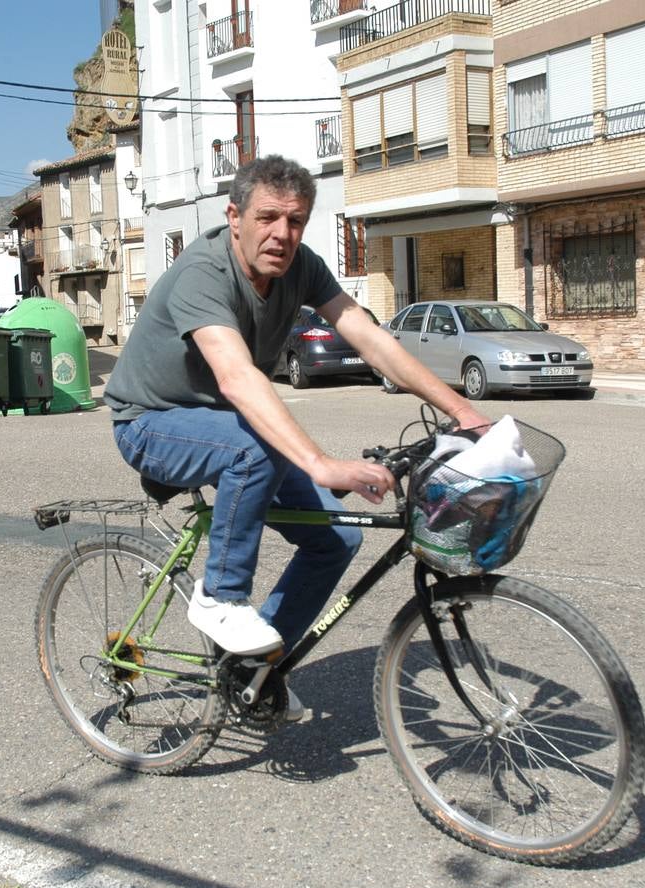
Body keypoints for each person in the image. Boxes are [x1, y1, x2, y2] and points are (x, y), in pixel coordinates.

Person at [104, 156, 491, 717]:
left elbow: (369, 337)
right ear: (234, 216)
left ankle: (253, 671)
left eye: (296, 221)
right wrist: (319, 464)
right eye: (268, 217)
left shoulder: (301, 267)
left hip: (229, 424)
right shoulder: (203, 274)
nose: (282, 234)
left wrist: (461, 411)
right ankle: (221, 599)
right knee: (253, 446)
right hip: (151, 421)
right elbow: (238, 377)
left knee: (335, 541)